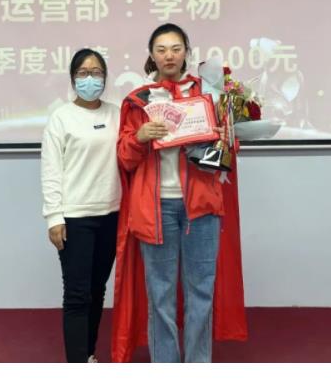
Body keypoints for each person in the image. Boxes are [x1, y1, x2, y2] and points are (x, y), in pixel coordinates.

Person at [111, 23, 248, 363]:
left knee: (202, 291)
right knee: (160, 295)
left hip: (201, 207)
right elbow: (125, 159)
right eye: (161, 49)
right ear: (151, 55)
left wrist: (223, 137)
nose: (169, 55)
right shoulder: (138, 101)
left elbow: (229, 151)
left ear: (186, 51)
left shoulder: (210, 94)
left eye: (175, 48)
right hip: (155, 209)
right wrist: (140, 137)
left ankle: (197, 365)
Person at [40, 48, 121, 363]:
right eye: (84, 73)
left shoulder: (117, 114)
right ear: (73, 78)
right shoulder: (61, 117)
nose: (91, 79)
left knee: (97, 290)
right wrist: (54, 217)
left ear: (105, 77)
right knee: (77, 294)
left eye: (97, 72)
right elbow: (51, 170)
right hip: (74, 218)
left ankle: (87, 355)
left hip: (112, 214)